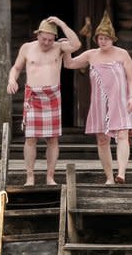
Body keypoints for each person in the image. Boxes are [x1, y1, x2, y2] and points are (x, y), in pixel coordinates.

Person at [63, 11, 132, 184]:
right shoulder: (91, 55)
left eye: (106, 38)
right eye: (100, 38)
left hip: (120, 101)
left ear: (113, 39)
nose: (102, 41)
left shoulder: (122, 54)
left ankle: (122, 173)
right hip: (99, 103)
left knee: (122, 134)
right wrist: (65, 50)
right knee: (102, 140)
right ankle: (109, 177)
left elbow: (131, 79)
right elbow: (69, 64)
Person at [7, 16, 81, 186]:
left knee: (53, 139)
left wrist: (62, 23)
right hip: (33, 96)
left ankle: (50, 176)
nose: (46, 42)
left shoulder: (60, 47)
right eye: (43, 38)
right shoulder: (27, 48)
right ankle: (30, 176)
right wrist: (12, 80)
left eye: (50, 39)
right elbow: (16, 68)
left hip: (52, 95)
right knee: (31, 138)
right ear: (38, 34)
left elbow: (77, 44)